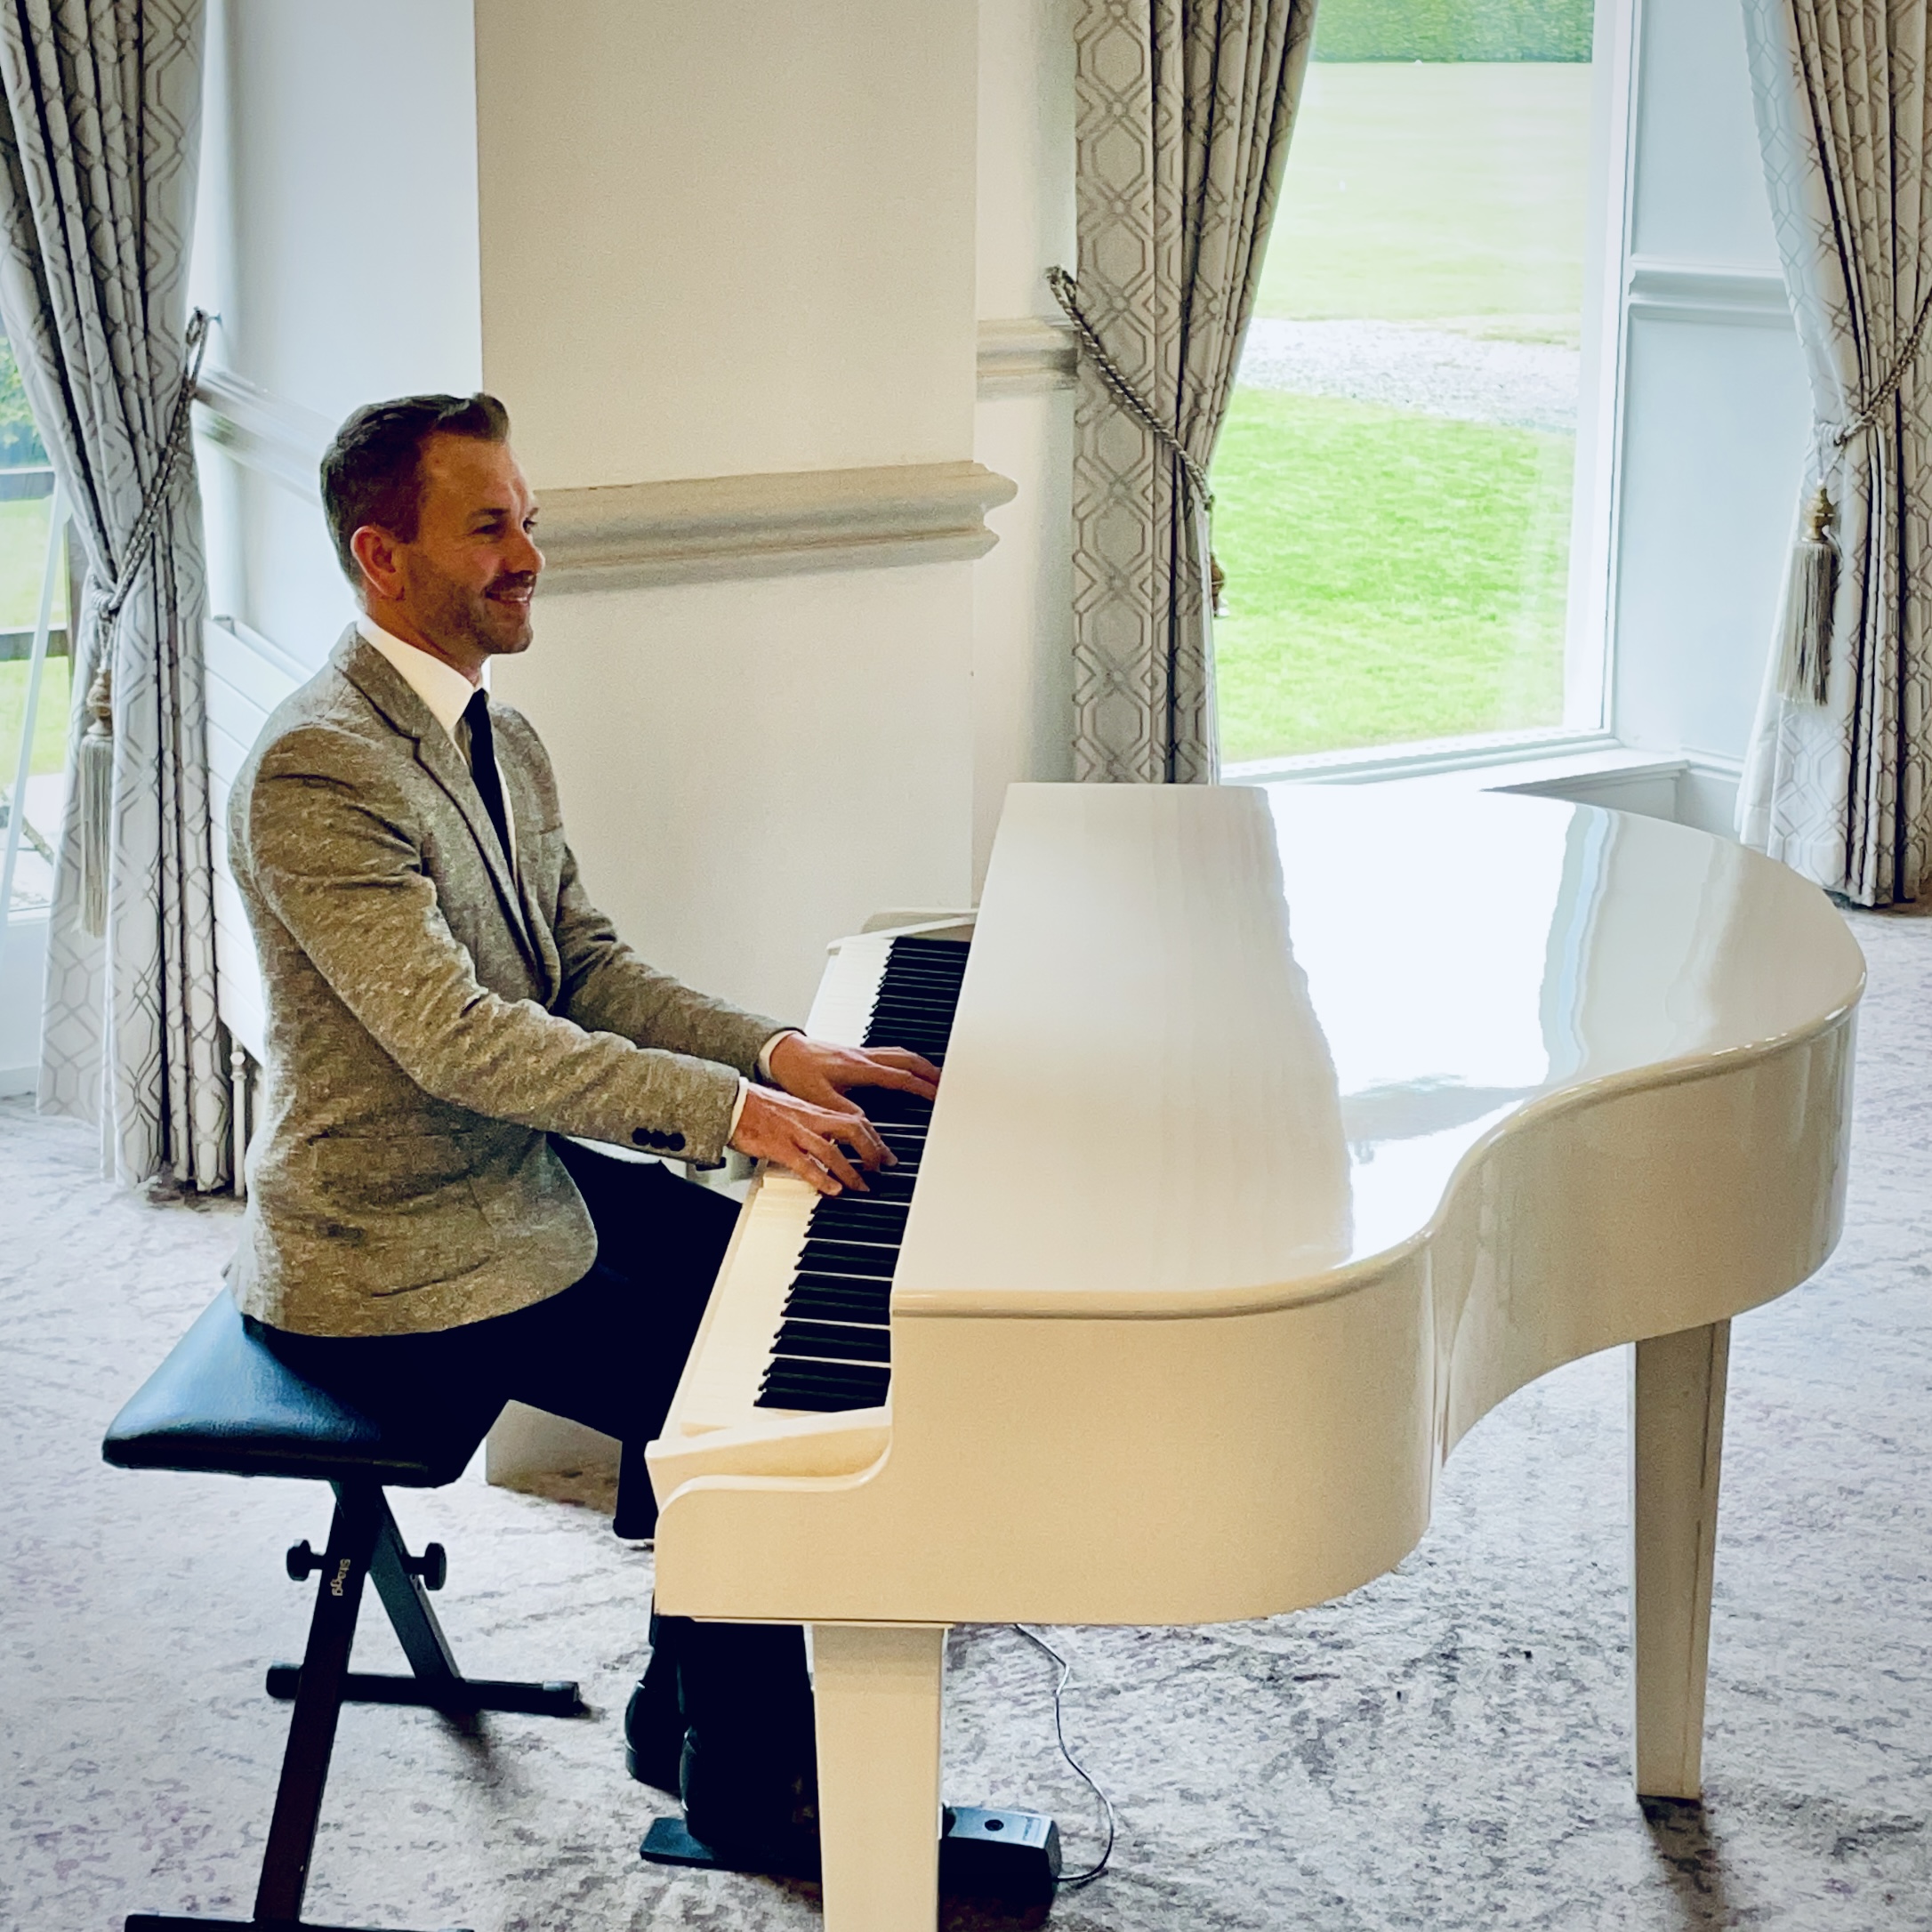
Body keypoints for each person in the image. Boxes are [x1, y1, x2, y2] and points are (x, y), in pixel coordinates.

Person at [225, 391, 938, 1869]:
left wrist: (778, 1051)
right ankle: (751, 1784)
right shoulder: (317, 768)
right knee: (742, 1397)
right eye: (487, 526)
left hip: (506, 1186)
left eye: (527, 520)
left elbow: (586, 968)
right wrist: (732, 1113)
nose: (528, 555)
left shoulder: (502, 735)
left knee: (751, 1282)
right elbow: (459, 1037)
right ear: (382, 556)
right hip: (390, 1256)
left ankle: (684, 1710)